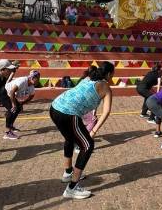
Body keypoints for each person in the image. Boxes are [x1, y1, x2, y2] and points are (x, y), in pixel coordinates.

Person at [49, 62, 114, 199]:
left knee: (70, 138)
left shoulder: (88, 77)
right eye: (113, 74)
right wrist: (93, 131)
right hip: (68, 113)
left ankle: (68, 173)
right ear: (109, 74)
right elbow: (106, 111)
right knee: (88, 145)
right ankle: (72, 188)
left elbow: (83, 95)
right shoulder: (105, 87)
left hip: (55, 107)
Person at [2, 70, 40, 140]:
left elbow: (31, 96)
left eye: (38, 78)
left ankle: (11, 126)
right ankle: (7, 132)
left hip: (11, 95)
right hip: (4, 92)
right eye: (36, 77)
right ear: (31, 77)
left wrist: (22, 103)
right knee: (12, 109)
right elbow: (12, 92)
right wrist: (14, 104)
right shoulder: (22, 81)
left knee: (18, 108)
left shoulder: (31, 86)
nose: (37, 80)